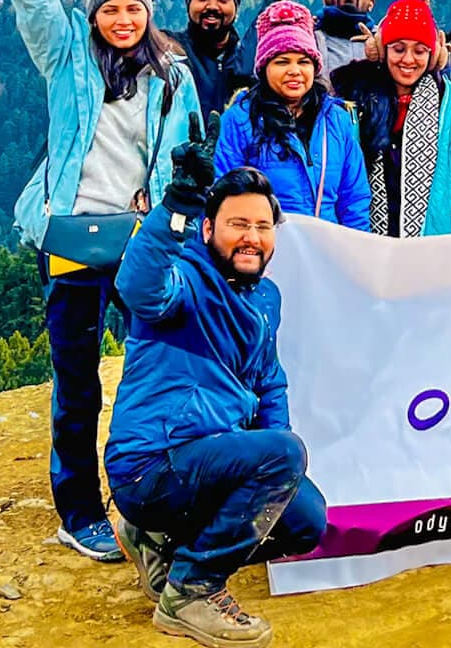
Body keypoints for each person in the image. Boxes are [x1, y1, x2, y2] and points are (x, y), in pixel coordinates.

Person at [0, 0, 202, 565]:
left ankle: (153, 494)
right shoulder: (66, 57)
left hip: (145, 242)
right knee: (77, 381)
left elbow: (191, 158)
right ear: (95, 17)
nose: (122, 20)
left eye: (132, 8)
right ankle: (79, 509)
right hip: (73, 236)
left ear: (146, 12)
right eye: (110, 10)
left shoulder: (173, 76)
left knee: (158, 371)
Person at [106, 150, 328, 648]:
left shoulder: (265, 297)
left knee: (306, 522)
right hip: (152, 465)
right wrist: (177, 206)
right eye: (238, 224)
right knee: (283, 456)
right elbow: (135, 287)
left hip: (211, 463)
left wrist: (277, 449)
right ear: (207, 230)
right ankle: (191, 591)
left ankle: (160, 544)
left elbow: (269, 380)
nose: (252, 236)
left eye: (263, 226)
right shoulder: (182, 281)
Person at [212, 2, 372, 230]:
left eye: (304, 62)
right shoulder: (240, 121)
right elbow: (222, 194)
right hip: (264, 250)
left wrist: (357, 251)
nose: (294, 71)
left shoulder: (336, 120)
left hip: (327, 250)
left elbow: (354, 199)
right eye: (282, 62)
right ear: (264, 68)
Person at [334, 0, 451, 236]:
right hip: (365, 243)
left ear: (433, 56)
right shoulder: (355, 105)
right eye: (399, 49)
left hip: (431, 250)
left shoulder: (449, 113)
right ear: (382, 50)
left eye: (420, 51)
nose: (408, 60)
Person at [133, 0, 254, 120]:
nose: (212, 6)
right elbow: (129, 20)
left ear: (236, 8)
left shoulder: (249, 60)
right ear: (188, 4)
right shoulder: (168, 48)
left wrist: (277, 1)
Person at [267, 0, 375, 76]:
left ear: (371, 3)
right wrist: (276, 0)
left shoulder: (385, 42)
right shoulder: (304, 38)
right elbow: (252, 68)